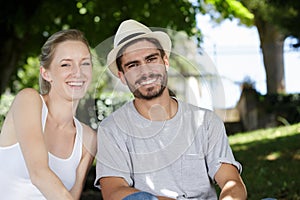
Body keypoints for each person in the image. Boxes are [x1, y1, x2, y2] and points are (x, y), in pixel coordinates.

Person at [94, 19, 247, 200]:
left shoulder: (205, 121)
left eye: (151, 59)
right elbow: (114, 192)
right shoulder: (112, 129)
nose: (145, 71)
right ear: (122, 76)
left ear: (165, 61)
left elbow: (231, 181)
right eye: (133, 65)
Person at [0, 29, 96, 199]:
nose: (78, 72)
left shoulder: (88, 138)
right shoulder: (29, 100)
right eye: (66, 64)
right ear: (46, 73)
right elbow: (39, 174)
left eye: (85, 63)